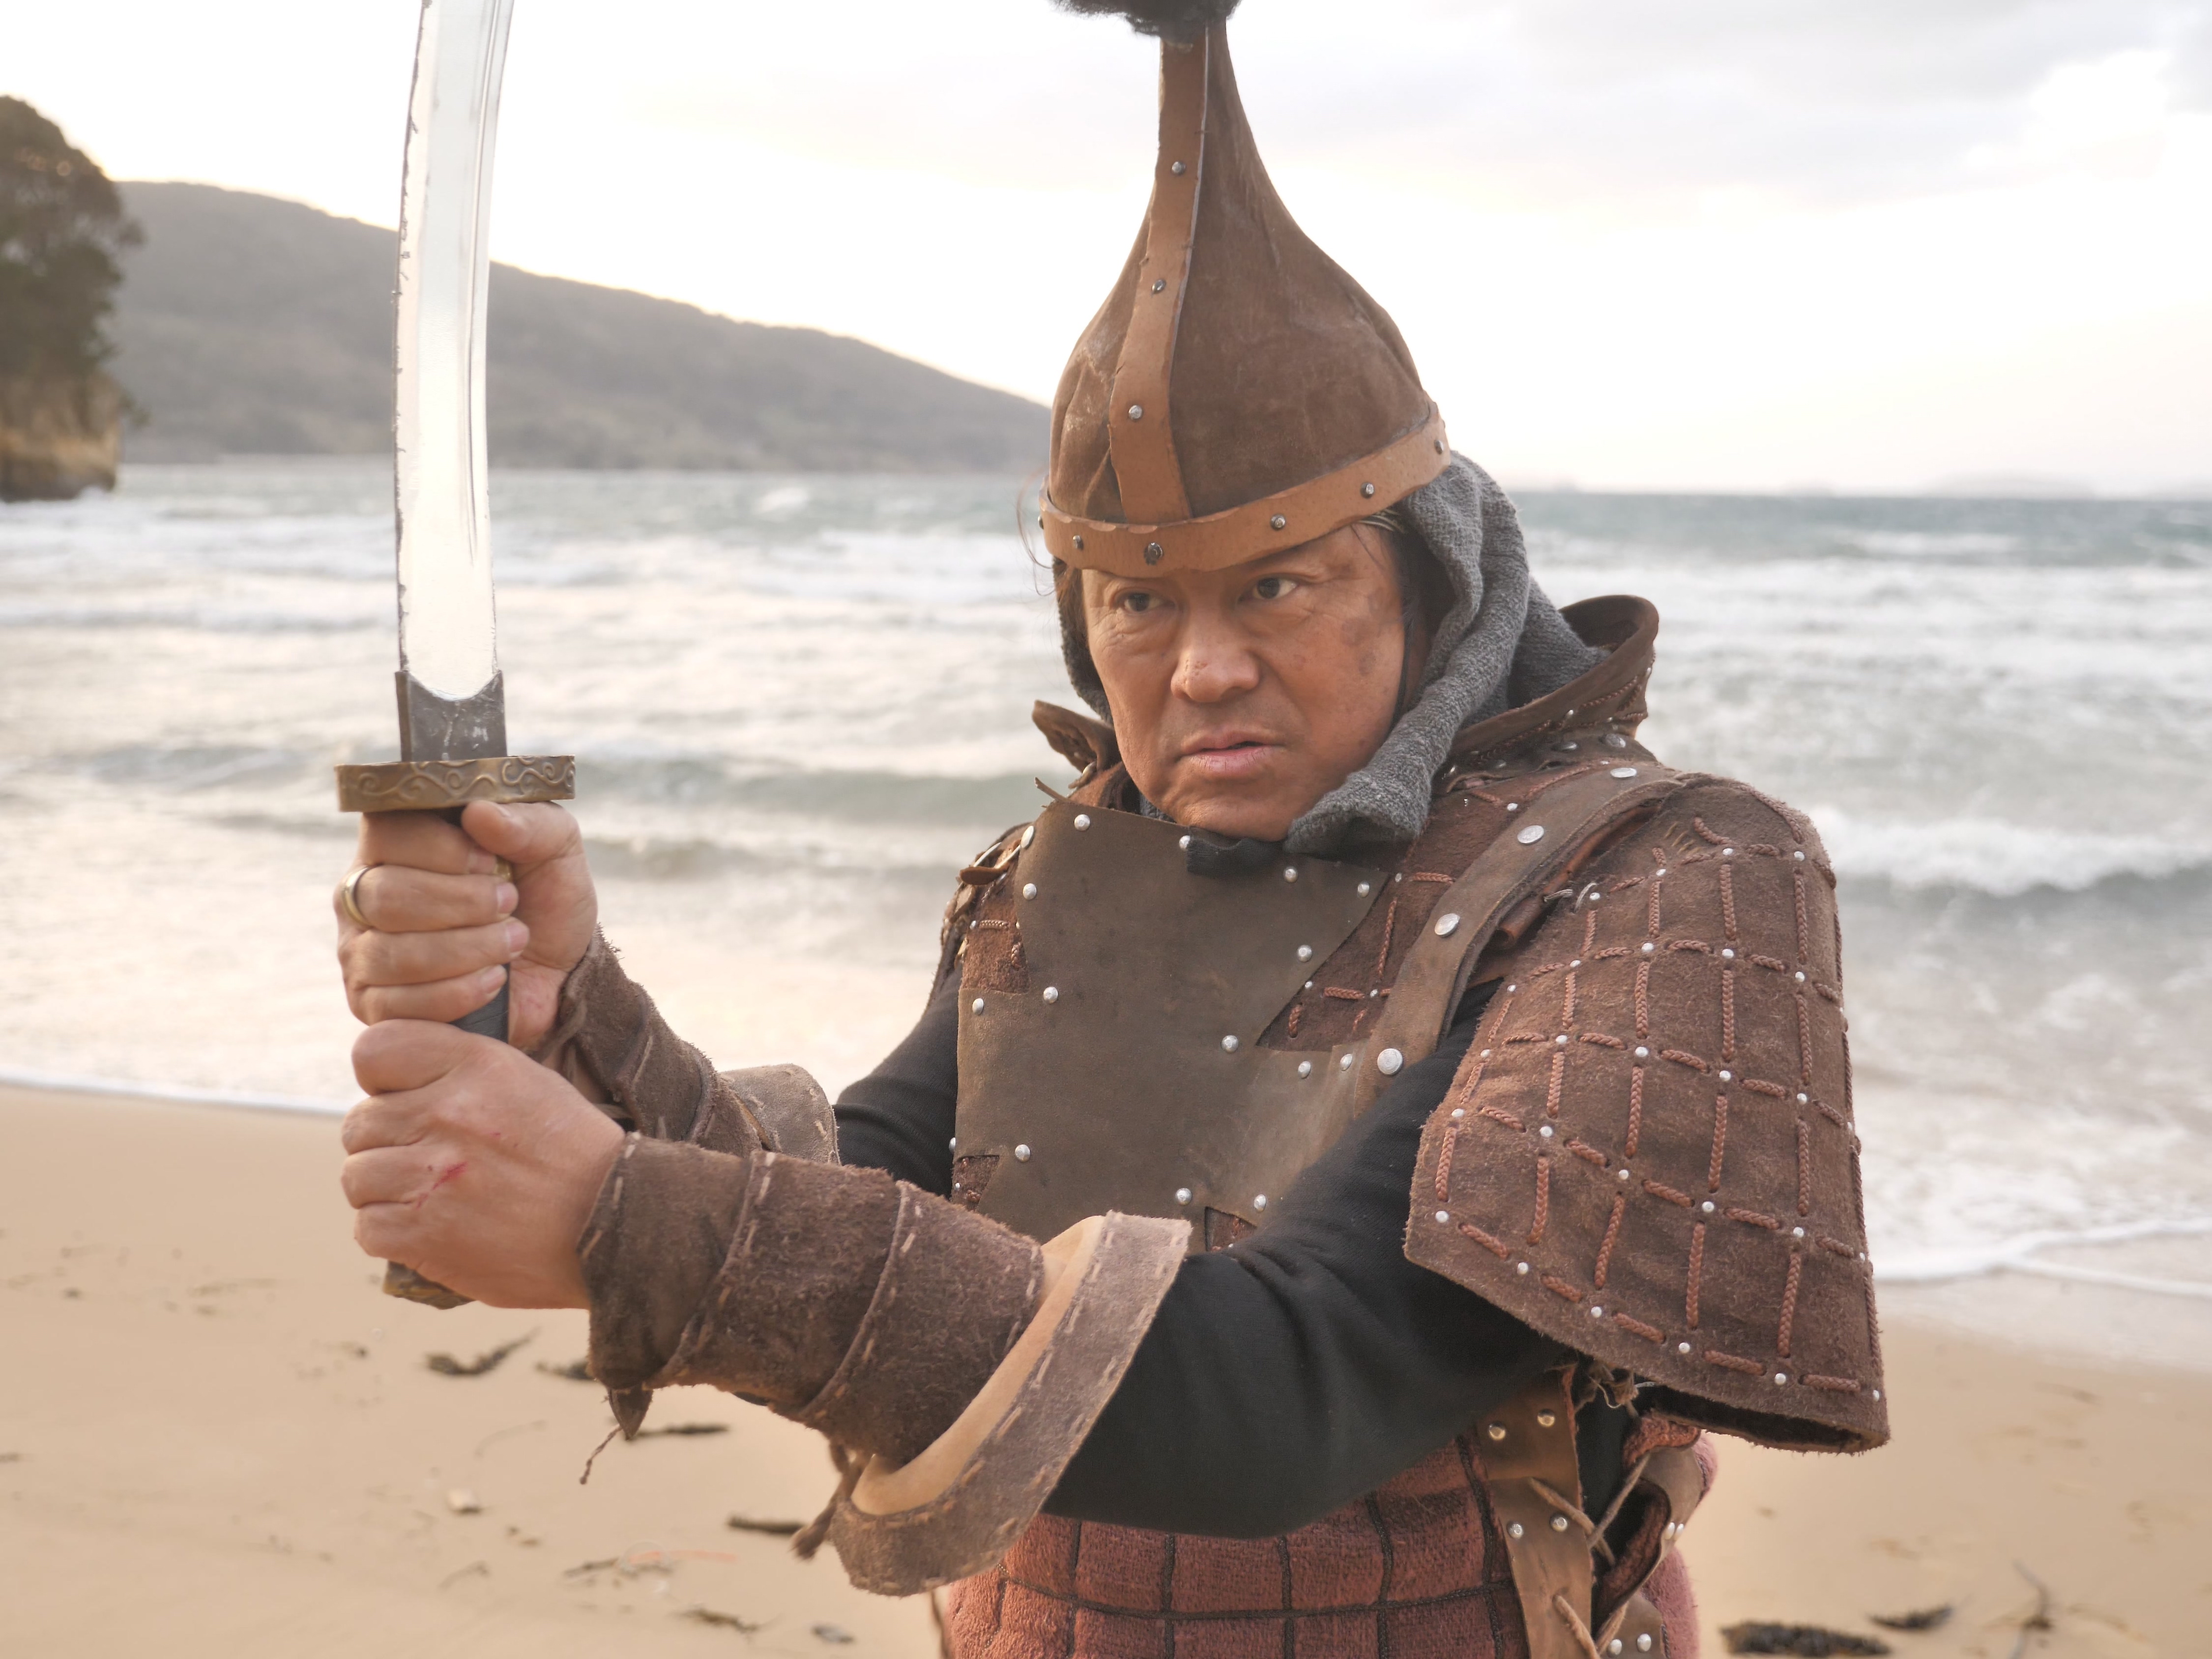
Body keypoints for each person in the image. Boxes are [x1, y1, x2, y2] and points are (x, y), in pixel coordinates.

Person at [333, 7, 1887, 1655]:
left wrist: (625, 1219)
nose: (1201, 670)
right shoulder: (1070, 865)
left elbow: (1293, 1397)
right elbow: (860, 1209)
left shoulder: (1665, 873)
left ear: (1436, 586)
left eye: (1274, 584)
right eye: (1140, 602)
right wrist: (574, 1020)